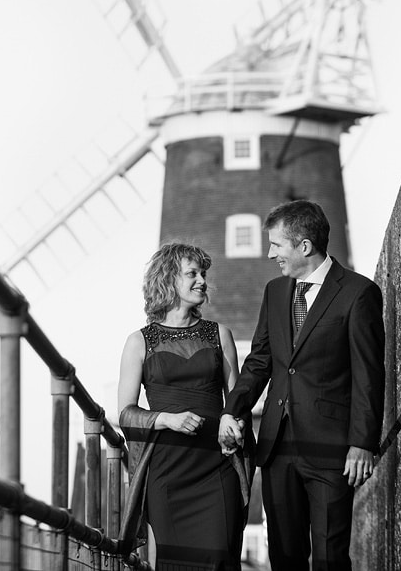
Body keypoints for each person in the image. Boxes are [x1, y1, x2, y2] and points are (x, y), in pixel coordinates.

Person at [219, 200, 385, 571]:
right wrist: (233, 409)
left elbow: (369, 374)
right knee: (284, 555)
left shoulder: (358, 293)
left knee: (329, 555)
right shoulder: (275, 292)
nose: (270, 253)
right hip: (278, 448)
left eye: (277, 245)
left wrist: (362, 443)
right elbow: (260, 361)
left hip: (332, 449)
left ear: (304, 246)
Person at [117, 242, 252, 570]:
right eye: (192, 273)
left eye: (203, 273)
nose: (202, 280)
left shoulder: (220, 334)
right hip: (167, 472)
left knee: (220, 558)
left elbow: (237, 403)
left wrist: (235, 424)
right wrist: (166, 419)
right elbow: (125, 413)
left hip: (217, 466)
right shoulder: (139, 341)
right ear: (167, 280)